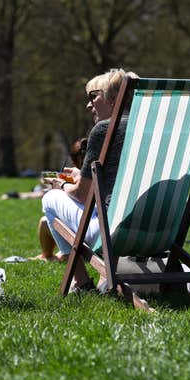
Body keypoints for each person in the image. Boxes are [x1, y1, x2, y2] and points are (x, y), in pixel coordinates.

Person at [41, 68, 132, 291]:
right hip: (156, 228)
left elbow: (82, 195)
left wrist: (61, 185)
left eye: (94, 97)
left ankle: (80, 282)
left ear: (113, 99)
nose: (88, 105)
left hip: (112, 232)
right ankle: (106, 276)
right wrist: (81, 175)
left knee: (51, 198)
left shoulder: (103, 130)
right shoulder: (149, 129)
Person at [32, 137, 88, 261]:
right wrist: (64, 177)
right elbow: (45, 177)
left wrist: (63, 182)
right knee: (44, 222)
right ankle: (49, 256)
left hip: (85, 228)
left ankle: (57, 256)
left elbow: (45, 177)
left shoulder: (84, 177)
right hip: (86, 226)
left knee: (44, 220)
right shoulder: (76, 176)